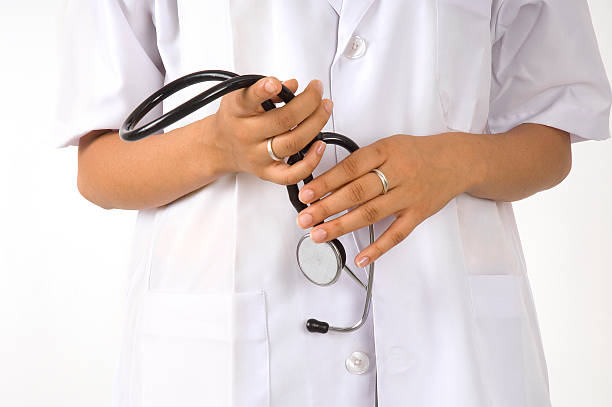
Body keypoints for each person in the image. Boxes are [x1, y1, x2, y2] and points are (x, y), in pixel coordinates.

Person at [56, 1, 611, 406]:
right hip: (222, 362)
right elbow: (100, 167)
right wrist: (216, 145)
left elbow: (552, 134)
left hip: (447, 340)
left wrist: (459, 160)